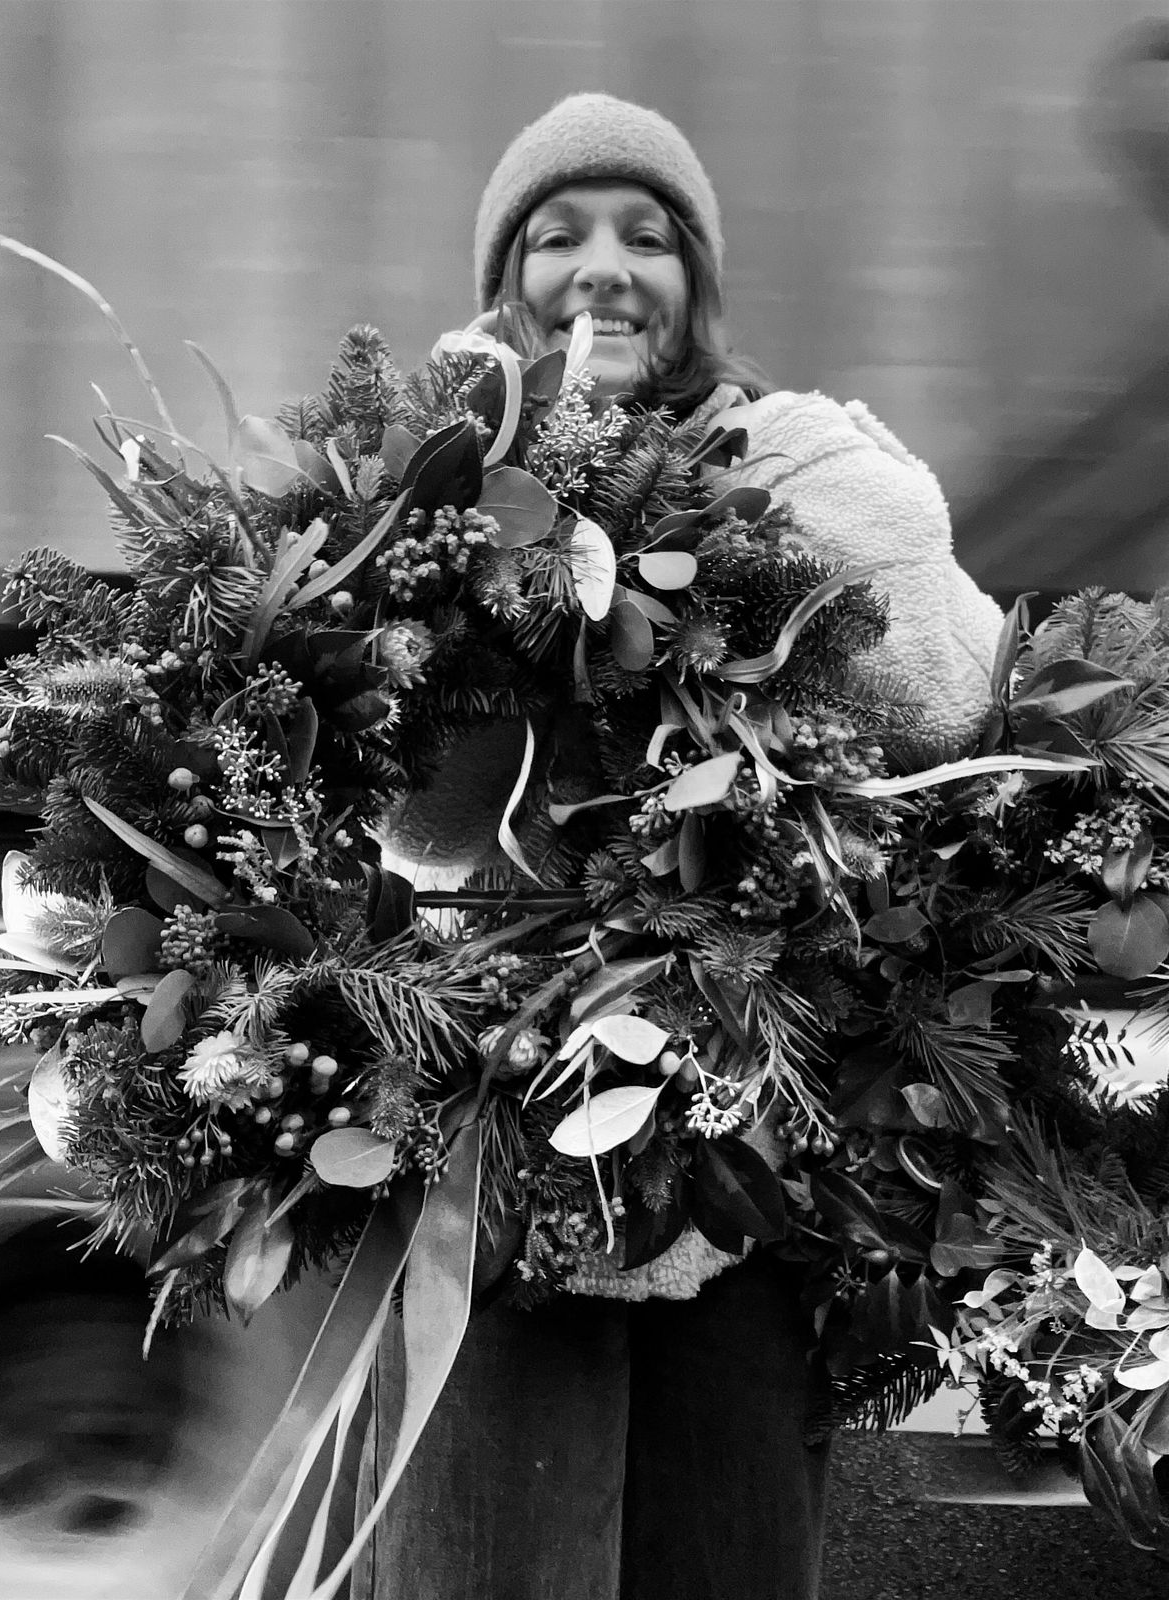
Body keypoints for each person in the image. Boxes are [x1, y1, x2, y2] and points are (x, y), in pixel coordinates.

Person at [358, 93, 1004, 1600]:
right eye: (557, 236)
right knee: (480, 1563)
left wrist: (768, 517)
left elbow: (948, 694)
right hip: (495, 1141)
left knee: (726, 1556)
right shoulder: (429, 496)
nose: (603, 267)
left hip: (752, 1152)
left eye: (647, 239)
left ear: (695, 287)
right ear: (504, 283)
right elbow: (400, 807)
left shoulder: (794, 455)